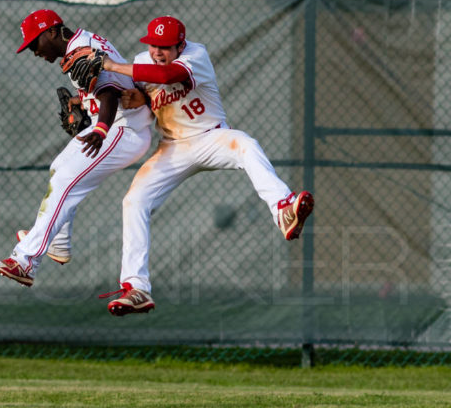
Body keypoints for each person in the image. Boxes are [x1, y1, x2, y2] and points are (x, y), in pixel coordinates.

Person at [98, 16, 314, 315]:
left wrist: (110, 65)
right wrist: (128, 100)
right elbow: (140, 94)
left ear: (180, 45)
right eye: (153, 46)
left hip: (211, 136)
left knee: (246, 145)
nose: (157, 52)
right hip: (172, 148)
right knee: (134, 201)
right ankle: (136, 288)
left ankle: (283, 208)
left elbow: (168, 76)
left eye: (164, 47)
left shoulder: (195, 55)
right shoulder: (141, 62)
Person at [0, 9, 154, 286]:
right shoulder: (80, 44)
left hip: (123, 128)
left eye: (34, 43)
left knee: (67, 181)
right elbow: (98, 89)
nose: (33, 51)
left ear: (51, 32)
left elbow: (109, 93)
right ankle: (58, 243)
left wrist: (100, 129)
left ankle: (25, 261)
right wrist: (81, 103)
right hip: (113, 124)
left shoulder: (81, 49)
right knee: (59, 169)